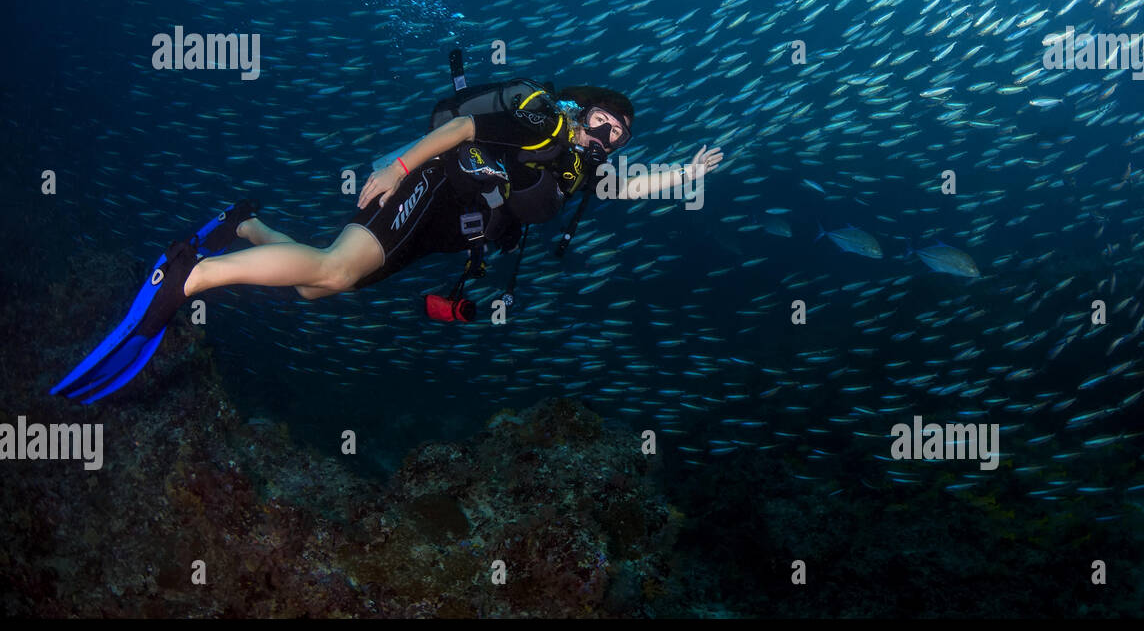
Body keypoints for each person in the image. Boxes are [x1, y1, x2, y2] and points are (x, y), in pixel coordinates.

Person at [49, 77, 724, 401]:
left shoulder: (576, 169)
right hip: (423, 187)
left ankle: (242, 224)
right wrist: (398, 164)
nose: (608, 138)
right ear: (583, 105)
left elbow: (627, 187)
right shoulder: (545, 125)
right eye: (604, 121)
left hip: (439, 229)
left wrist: (685, 173)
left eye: (619, 137)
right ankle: (190, 278)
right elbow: (462, 133)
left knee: (316, 288)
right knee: (335, 270)